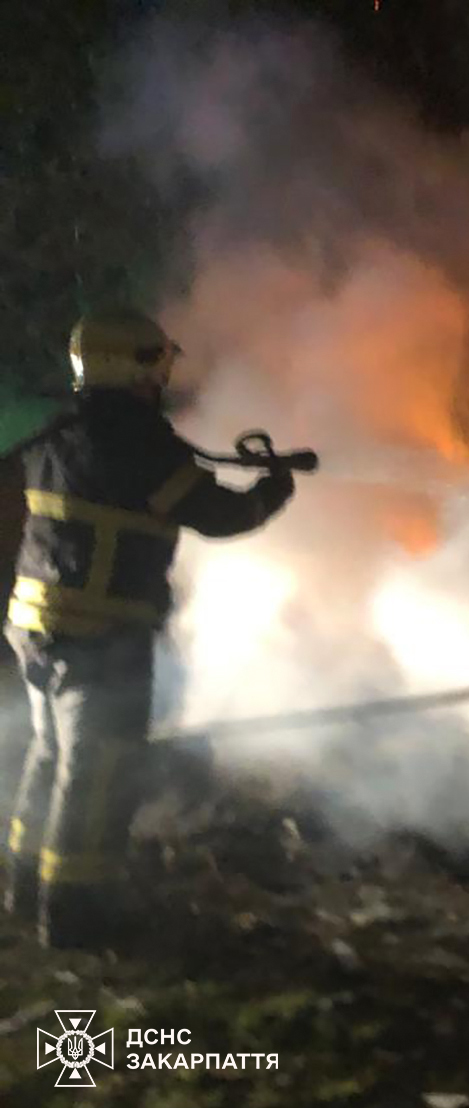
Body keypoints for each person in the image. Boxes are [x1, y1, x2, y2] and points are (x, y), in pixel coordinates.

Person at [3, 309, 296, 950]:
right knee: (98, 774)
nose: (160, 377)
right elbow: (219, 514)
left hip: (35, 631)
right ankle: (73, 913)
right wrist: (272, 493)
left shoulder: (58, 435)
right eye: (153, 363)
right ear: (128, 366)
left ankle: (23, 889)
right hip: (99, 639)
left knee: (52, 757)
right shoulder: (140, 447)